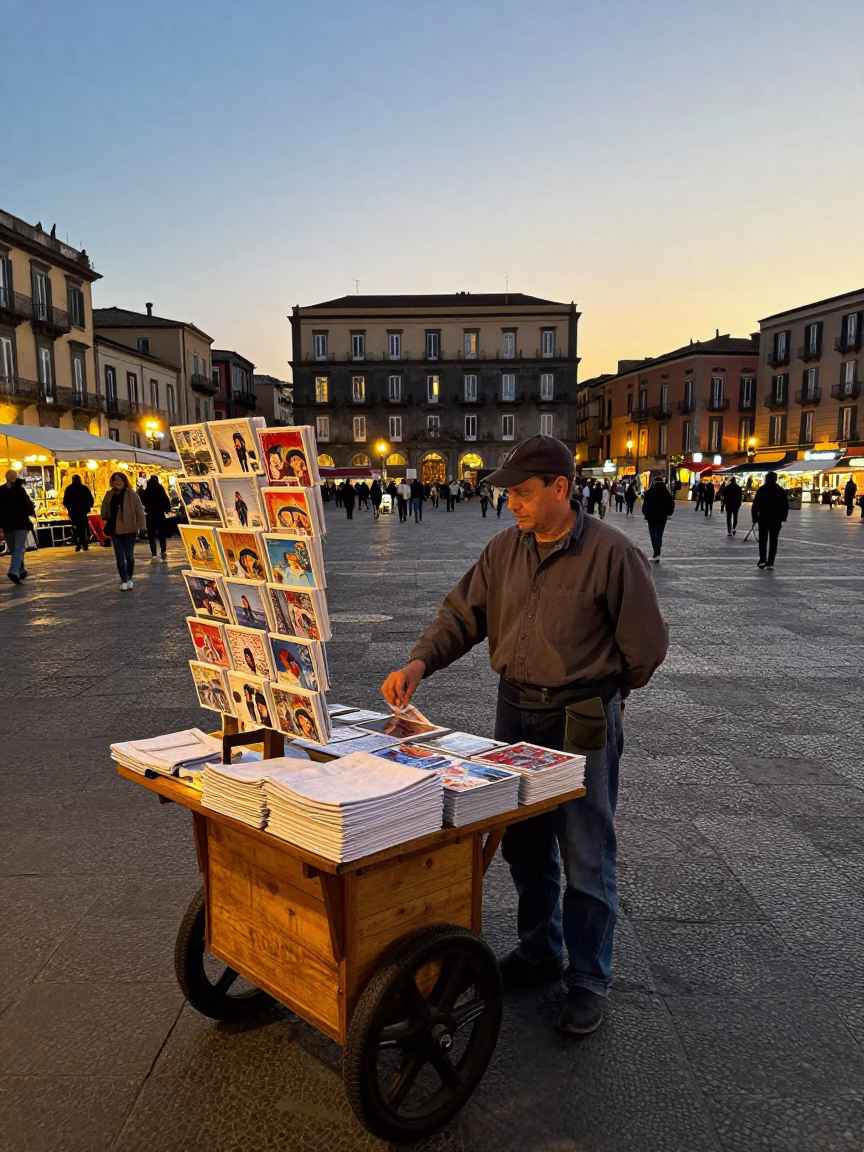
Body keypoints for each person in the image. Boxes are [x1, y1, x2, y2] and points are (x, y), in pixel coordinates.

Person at [381, 435, 668, 1036]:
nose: (511, 502)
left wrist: (612, 691)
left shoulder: (614, 554)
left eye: (523, 492)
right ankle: (541, 950)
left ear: (561, 489)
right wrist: (417, 664)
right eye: (508, 493)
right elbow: (463, 616)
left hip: (581, 716)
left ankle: (589, 977)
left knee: (586, 851)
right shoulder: (501, 551)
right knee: (524, 845)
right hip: (514, 711)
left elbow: (645, 646)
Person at [100, 471, 146, 589]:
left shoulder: (132, 494)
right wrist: (105, 515)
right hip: (115, 530)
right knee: (119, 556)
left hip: (130, 529)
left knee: (129, 556)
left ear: (125, 481)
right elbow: (104, 507)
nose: (117, 482)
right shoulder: (109, 495)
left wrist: (143, 528)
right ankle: (124, 580)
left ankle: (129, 577)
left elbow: (139, 512)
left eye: (120, 480)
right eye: (115, 480)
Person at [0, 470, 35, 585]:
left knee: (16, 549)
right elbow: (28, 505)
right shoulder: (20, 490)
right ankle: (19, 570)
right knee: (18, 549)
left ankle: (16, 571)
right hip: (20, 523)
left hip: (8, 525)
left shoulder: (1, 490)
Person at [751, 471, 789, 570]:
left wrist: (754, 518)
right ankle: (770, 562)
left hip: (763, 518)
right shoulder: (780, 490)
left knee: (763, 540)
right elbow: (785, 506)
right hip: (776, 519)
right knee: (773, 540)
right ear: (776, 479)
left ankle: (762, 560)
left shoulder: (762, 490)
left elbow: (755, 505)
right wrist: (783, 518)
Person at [641, 475, 675, 562]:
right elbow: (671, 505)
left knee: (653, 535)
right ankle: (657, 552)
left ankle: (656, 551)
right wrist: (669, 512)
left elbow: (645, 505)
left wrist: (646, 514)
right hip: (662, 517)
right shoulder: (666, 493)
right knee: (659, 535)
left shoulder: (649, 493)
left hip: (652, 517)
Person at [140, 475, 172, 560]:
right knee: (162, 534)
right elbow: (166, 500)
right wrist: (167, 509)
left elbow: (142, 500)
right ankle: (163, 550)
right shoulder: (160, 489)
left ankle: (154, 553)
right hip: (160, 515)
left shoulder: (148, 490)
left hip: (150, 515)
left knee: (151, 536)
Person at [62, 474, 94, 552]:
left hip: (73, 512)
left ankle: (78, 543)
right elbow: (90, 499)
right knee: (82, 527)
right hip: (82, 511)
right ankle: (83, 544)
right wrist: (88, 506)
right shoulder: (84, 488)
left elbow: (65, 501)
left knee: (76, 528)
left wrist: (70, 508)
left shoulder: (69, 489)